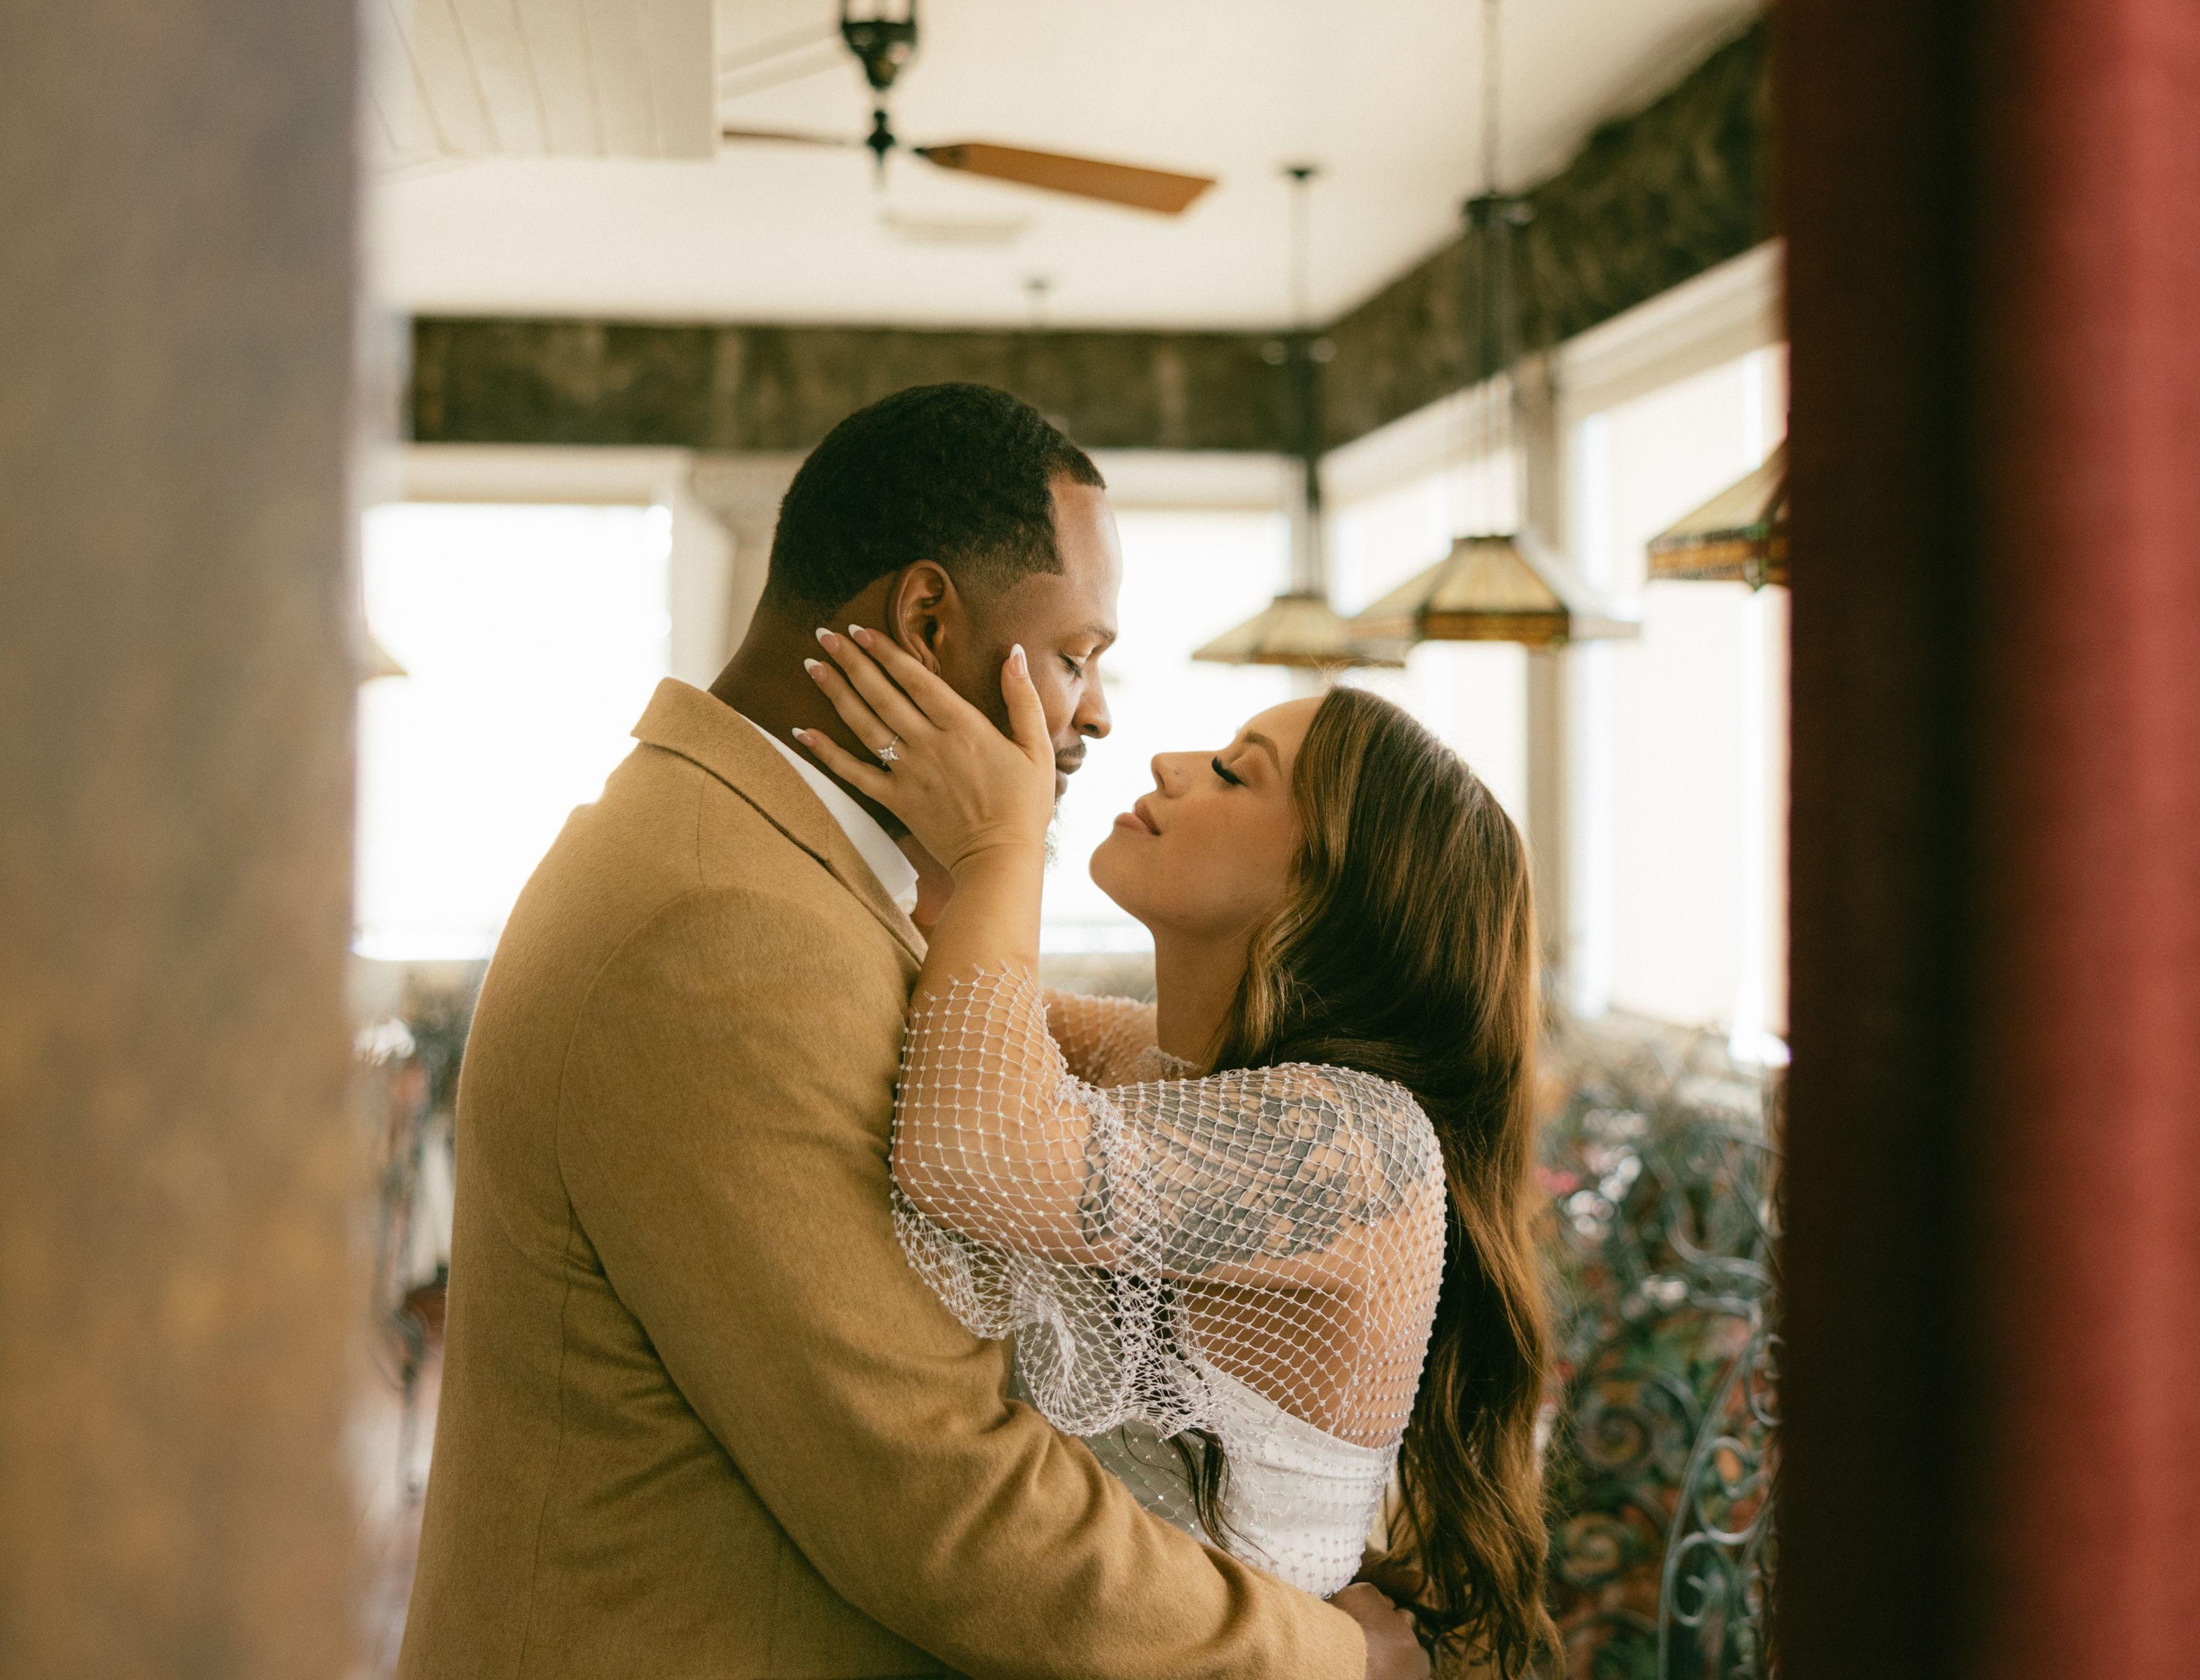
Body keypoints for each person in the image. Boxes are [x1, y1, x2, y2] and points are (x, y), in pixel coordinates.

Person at [398, 385, 1428, 1680]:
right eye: (1075, 655)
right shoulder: (724, 922)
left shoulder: (757, 868)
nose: (1101, 717)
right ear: (929, 620)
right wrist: (1329, 1655)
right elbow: (938, 1495)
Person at [790, 629, 1557, 1677]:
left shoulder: (1360, 1143)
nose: (1167, 762)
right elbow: (944, 990)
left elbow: (969, 1150)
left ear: (1328, 891)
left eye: (1236, 772)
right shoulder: (1154, 1061)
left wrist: (1004, 850)